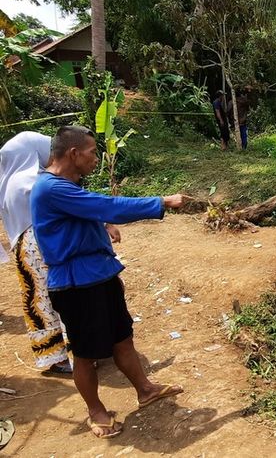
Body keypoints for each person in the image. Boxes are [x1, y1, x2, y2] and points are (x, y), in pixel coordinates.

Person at [30, 125, 184, 439]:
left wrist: (106, 222)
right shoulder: (51, 188)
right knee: (86, 354)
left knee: (122, 338)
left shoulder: (65, 185)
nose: (96, 159)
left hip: (100, 274)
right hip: (76, 285)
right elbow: (104, 205)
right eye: (92, 152)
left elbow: (95, 210)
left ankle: (145, 389)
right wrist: (161, 202)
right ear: (73, 154)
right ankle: (96, 411)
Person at [0, 131, 83, 375]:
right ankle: (76, 352)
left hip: (23, 250)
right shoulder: (34, 182)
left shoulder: (8, 182)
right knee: (61, 297)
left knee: (38, 302)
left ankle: (51, 355)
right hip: (44, 247)